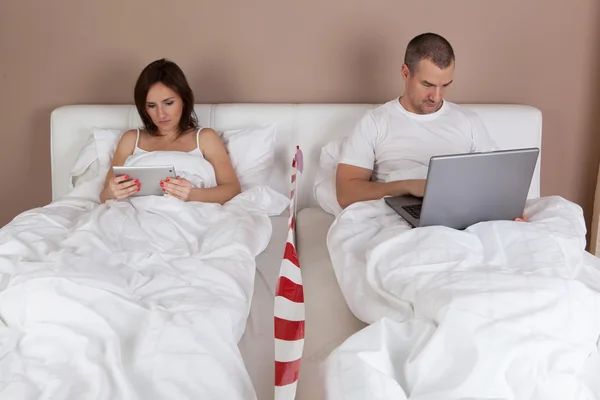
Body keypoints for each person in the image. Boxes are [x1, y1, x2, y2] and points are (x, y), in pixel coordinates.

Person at [335, 32, 528, 221]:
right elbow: (346, 194)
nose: (436, 96)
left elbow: (494, 182)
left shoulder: (469, 121)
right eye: (427, 84)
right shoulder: (375, 122)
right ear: (405, 73)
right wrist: (408, 186)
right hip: (397, 220)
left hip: (464, 217)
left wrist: (508, 213)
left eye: (445, 85)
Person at [100, 59, 241, 204]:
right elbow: (104, 195)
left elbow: (232, 189)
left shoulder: (205, 138)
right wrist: (112, 192)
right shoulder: (130, 139)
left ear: (184, 100)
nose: (161, 114)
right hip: (133, 214)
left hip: (189, 214)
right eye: (152, 105)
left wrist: (191, 194)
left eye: (168, 103)